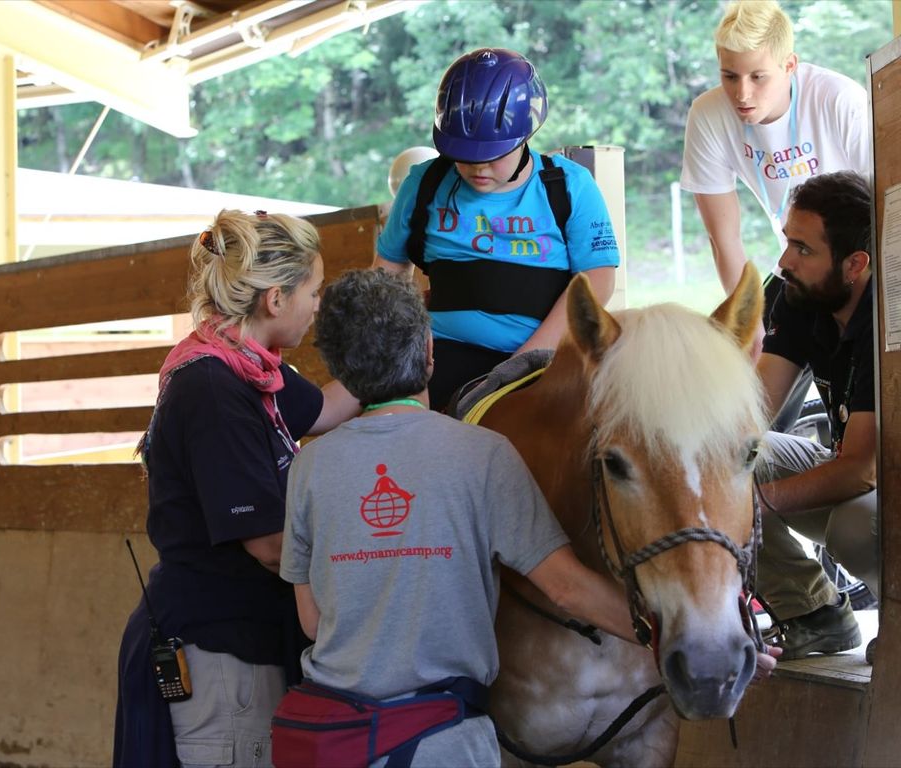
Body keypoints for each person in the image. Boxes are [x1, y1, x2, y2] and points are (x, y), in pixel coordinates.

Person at [276, 269, 778, 767]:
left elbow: (312, 620)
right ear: (430, 351)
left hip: (337, 738)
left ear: (338, 369)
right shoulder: (483, 453)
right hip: (440, 738)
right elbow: (566, 587)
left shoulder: (309, 466)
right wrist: (672, 636)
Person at [113, 210, 357, 768]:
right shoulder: (213, 388)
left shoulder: (252, 366)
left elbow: (326, 410)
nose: (317, 306)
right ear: (276, 299)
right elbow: (269, 546)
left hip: (244, 635)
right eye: (314, 292)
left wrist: (395, 364)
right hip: (222, 648)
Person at [374, 47, 620, 411]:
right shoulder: (424, 183)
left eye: (493, 155)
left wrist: (524, 362)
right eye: (464, 156)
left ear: (524, 137)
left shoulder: (569, 186)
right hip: (439, 360)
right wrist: (392, 347)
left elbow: (598, 279)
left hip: (544, 360)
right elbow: (389, 269)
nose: (478, 168)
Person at [680, 0, 870, 426]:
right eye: (729, 76)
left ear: (789, 65)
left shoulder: (840, 99)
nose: (742, 94)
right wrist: (747, 322)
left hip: (856, 265)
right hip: (795, 262)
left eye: (758, 76)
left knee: (857, 395)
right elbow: (724, 238)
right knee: (744, 404)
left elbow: (886, 209)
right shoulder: (709, 115)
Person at [755, 171, 876, 662]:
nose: (785, 261)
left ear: (854, 265)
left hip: (876, 486)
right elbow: (749, 412)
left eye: (803, 249)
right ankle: (814, 614)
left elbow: (863, 469)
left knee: (855, 527)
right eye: (787, 241)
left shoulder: (887, 319)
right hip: (862, 477)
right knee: (727, 460)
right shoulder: (801, 297)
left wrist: (759, 503)